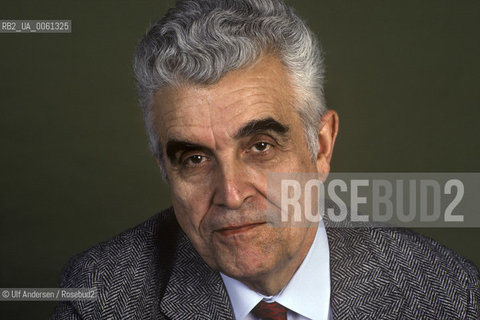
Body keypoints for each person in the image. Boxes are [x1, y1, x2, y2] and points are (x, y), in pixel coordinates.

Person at [51, 0, 479, 319]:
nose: (232, 195)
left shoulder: (448, 294)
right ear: (163, 166)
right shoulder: (100, 300)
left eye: (261, 146)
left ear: (322, 145)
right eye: (195, 158)